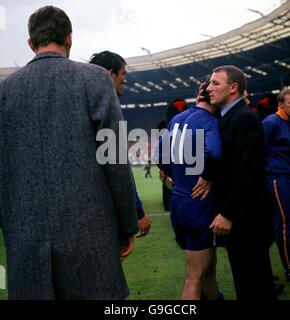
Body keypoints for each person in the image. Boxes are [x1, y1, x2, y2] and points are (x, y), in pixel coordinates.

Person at [0, 6, 138, 299]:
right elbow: (114, 158)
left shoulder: (4, 92)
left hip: (26, 244)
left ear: (30, 43)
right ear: (70, 38)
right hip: (89, 239)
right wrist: (128, 223)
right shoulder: (95, 79)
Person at [193, 65, 276, 300]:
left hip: (247, 219)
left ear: (233, 88)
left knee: (255, 285)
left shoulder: (245, 118)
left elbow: (247, 172)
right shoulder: (227, 116)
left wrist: (228, 213)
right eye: (208, 84)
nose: (209, 88)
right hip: (241, 218)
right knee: (246, 282)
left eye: (215, 83)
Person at [157, 81, 223, 300]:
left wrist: (175, 176)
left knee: (207, 271)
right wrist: (209, 176)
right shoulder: (211, 121)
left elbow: (159, 156)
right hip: (199, 203)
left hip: (178, 201)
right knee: (193, 278)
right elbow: (214, 154)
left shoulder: (176, 118)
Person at [89, 50, 151, 237]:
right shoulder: (107, 110)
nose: (125, 80)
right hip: (103, 213)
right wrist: (137, 212)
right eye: (123, 73)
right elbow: (118, 167)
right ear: (109, 74)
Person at [263, 88, 290, 282]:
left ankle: (261, 269)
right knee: (286, 223)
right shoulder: (271, 122)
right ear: (281, 104)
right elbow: (258, 151)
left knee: (273, 226)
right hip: (275, 179)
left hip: (286, 177)